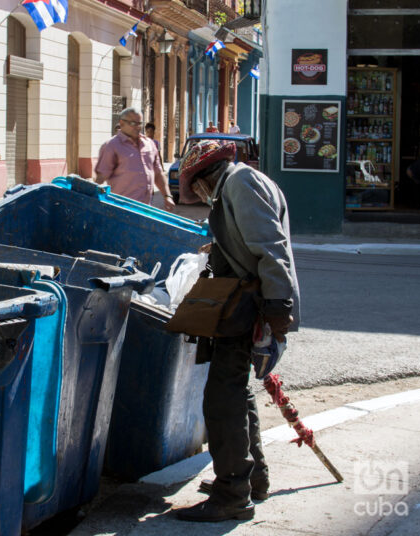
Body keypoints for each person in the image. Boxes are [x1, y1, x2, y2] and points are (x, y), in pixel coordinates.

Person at [173, 139, 300, 523]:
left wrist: (279, 307)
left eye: (196, 186)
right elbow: (251, 241)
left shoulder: (239, 183)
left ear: (203, 178)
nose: (197, 193)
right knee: (237, 391)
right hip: (247, 303)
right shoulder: (237, 183)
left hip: (254, 306)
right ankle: (252, 479)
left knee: (221, 398)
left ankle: (232, 494)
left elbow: (269, 247)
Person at [95, 107, 175, 211]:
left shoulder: (149, 144)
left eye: (140, 123)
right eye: (133, 123)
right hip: (121, 208)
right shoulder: (111, 146)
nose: (138, 127)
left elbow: (158, 173)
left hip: (146, 209)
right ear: (122, 123)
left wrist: (167, 196)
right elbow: (101, 177)